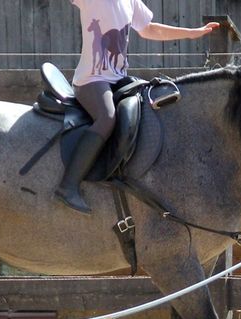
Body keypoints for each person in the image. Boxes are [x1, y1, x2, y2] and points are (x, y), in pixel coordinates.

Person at [56, 0, 219, 213]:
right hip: (91, 80)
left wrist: (191, 33)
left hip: (118, 79)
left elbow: (148, 29)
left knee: (144, 107)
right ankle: (68, 186)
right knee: (107, 117)